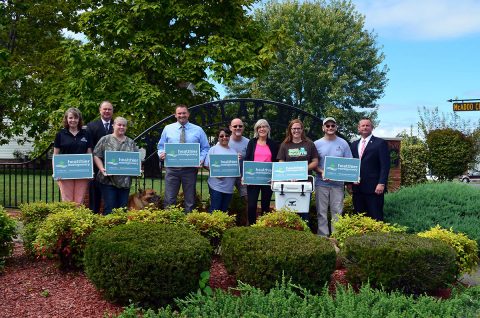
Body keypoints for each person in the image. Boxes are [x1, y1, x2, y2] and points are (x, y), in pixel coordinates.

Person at [157, 105, 210, 212]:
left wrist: (200, 159)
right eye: (179, 113)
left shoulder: (198, 130)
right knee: (170, 198)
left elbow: (205, 147)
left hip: (190, 169)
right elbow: (161, 146)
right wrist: (161, 154)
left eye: (184, 113)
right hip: (172, 168)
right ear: (175, 115)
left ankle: (189, 222)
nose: (182, 115)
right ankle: (169, 222)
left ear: (188, 114)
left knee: (190, 199)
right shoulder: (168, 129)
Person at [314, 117, 352, 236]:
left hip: (338, 184)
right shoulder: (316, 144)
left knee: (337, 212)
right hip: (321, 183)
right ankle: (323, 237)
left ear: (336, 127)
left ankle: (336, 236)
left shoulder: (343, 143)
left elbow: (349, 163)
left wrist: (352, 177)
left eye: (332, 125)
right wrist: (322, 172)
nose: (330, 128)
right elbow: (314, 164)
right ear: (323, 128)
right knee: (321, 212)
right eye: (327, 126)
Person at [93, 117, 138, 214]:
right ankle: (108, 228)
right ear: (113, 125)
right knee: (109, 208)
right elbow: (96, 155)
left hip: (125, 182)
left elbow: (135, 159)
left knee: (122, 209)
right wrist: (102, 169)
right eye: (119, 125)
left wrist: (137, 169)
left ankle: (120, 229)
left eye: (124, 125)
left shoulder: (131, 142)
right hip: (108, 181)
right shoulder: (105, 139)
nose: (121, 127)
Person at [277, 119, 319, 222]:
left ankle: (305, 233)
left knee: (303, 211)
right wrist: (289, 174)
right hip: (288, 182)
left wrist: (302, 170)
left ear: (302, 129)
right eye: (294, 128)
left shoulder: (309, 144)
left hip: (304, 182)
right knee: (287, 209)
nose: (296, 131)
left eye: (298, 128)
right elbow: (281, 161)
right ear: (290, 130)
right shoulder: (285, 145)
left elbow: (315, 161)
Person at [350, 118, 390, 221]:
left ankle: (377, 237)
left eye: (367, 125)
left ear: (372, 128)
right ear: (358, 128)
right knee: (359, 218)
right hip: (357, 189)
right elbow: (349, 165)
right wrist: (349, 182)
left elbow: (385, 165)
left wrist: (381, 183)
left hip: (374, 188)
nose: (365, 127)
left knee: (375, 217)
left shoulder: (380, 143)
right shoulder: (354, 145)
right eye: (362, 126)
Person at [53, 108, 93, 205]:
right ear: (66, 119)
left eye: (76, 118)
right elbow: (55, 155)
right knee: (67, 200)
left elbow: (89, 153)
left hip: (82, 171)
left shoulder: (86, 134)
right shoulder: (60, 134)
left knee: (79, 200)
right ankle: (68, 219)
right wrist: (55, 171)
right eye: (70, 118)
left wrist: (90, 170)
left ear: (79, 119)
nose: (73, 120)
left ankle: (77, 220)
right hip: (65, 172)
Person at [244, 119, 279, 225]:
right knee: (251, 205)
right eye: (259, 127)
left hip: (267, 179)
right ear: (256, 129)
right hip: (253, 179)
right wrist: (246, 176)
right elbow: (248, 159)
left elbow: (276, 162)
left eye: (264, 126)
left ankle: (263, 226)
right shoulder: (252, 142)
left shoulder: (273, 144)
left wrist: (275, 177)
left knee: (265, 205)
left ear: (268, 129)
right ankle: (252, 226)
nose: (262, 129)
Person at [86, 101, 114, 213]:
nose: (107, 111)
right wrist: (90, 169)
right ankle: (94, 219)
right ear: (100, 110)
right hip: (95, 167)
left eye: (109, 109)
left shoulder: (117, 125)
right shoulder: (91, 126)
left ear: (112, 111)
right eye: (105, 109)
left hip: (113, 167)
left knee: (111, 198)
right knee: (94, 198)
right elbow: (89, 148)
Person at [204, 128, 240, 212]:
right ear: (218, 137)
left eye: (227, 135)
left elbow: (234, 168)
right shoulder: (213, 149)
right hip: (216, 186)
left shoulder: (233, 151)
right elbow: (206, 165)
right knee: (215, 209)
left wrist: (237, 160)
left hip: (229, 187)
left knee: (224, 210)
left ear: (229, 137)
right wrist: (216, 172)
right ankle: (212, 225)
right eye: (221, 136)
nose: (224, 137)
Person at [228, 118, 249, 224]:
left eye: (240, 126)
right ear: (230, 128)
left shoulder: (248, 142)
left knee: (246, 201)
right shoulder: (225, 140)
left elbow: (251, 160)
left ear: (243, 128)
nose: (238, 128)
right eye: (235, 126)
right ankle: (228, 223)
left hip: (243, 177)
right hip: (228, 176)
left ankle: (247, 225)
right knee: (227, 201)